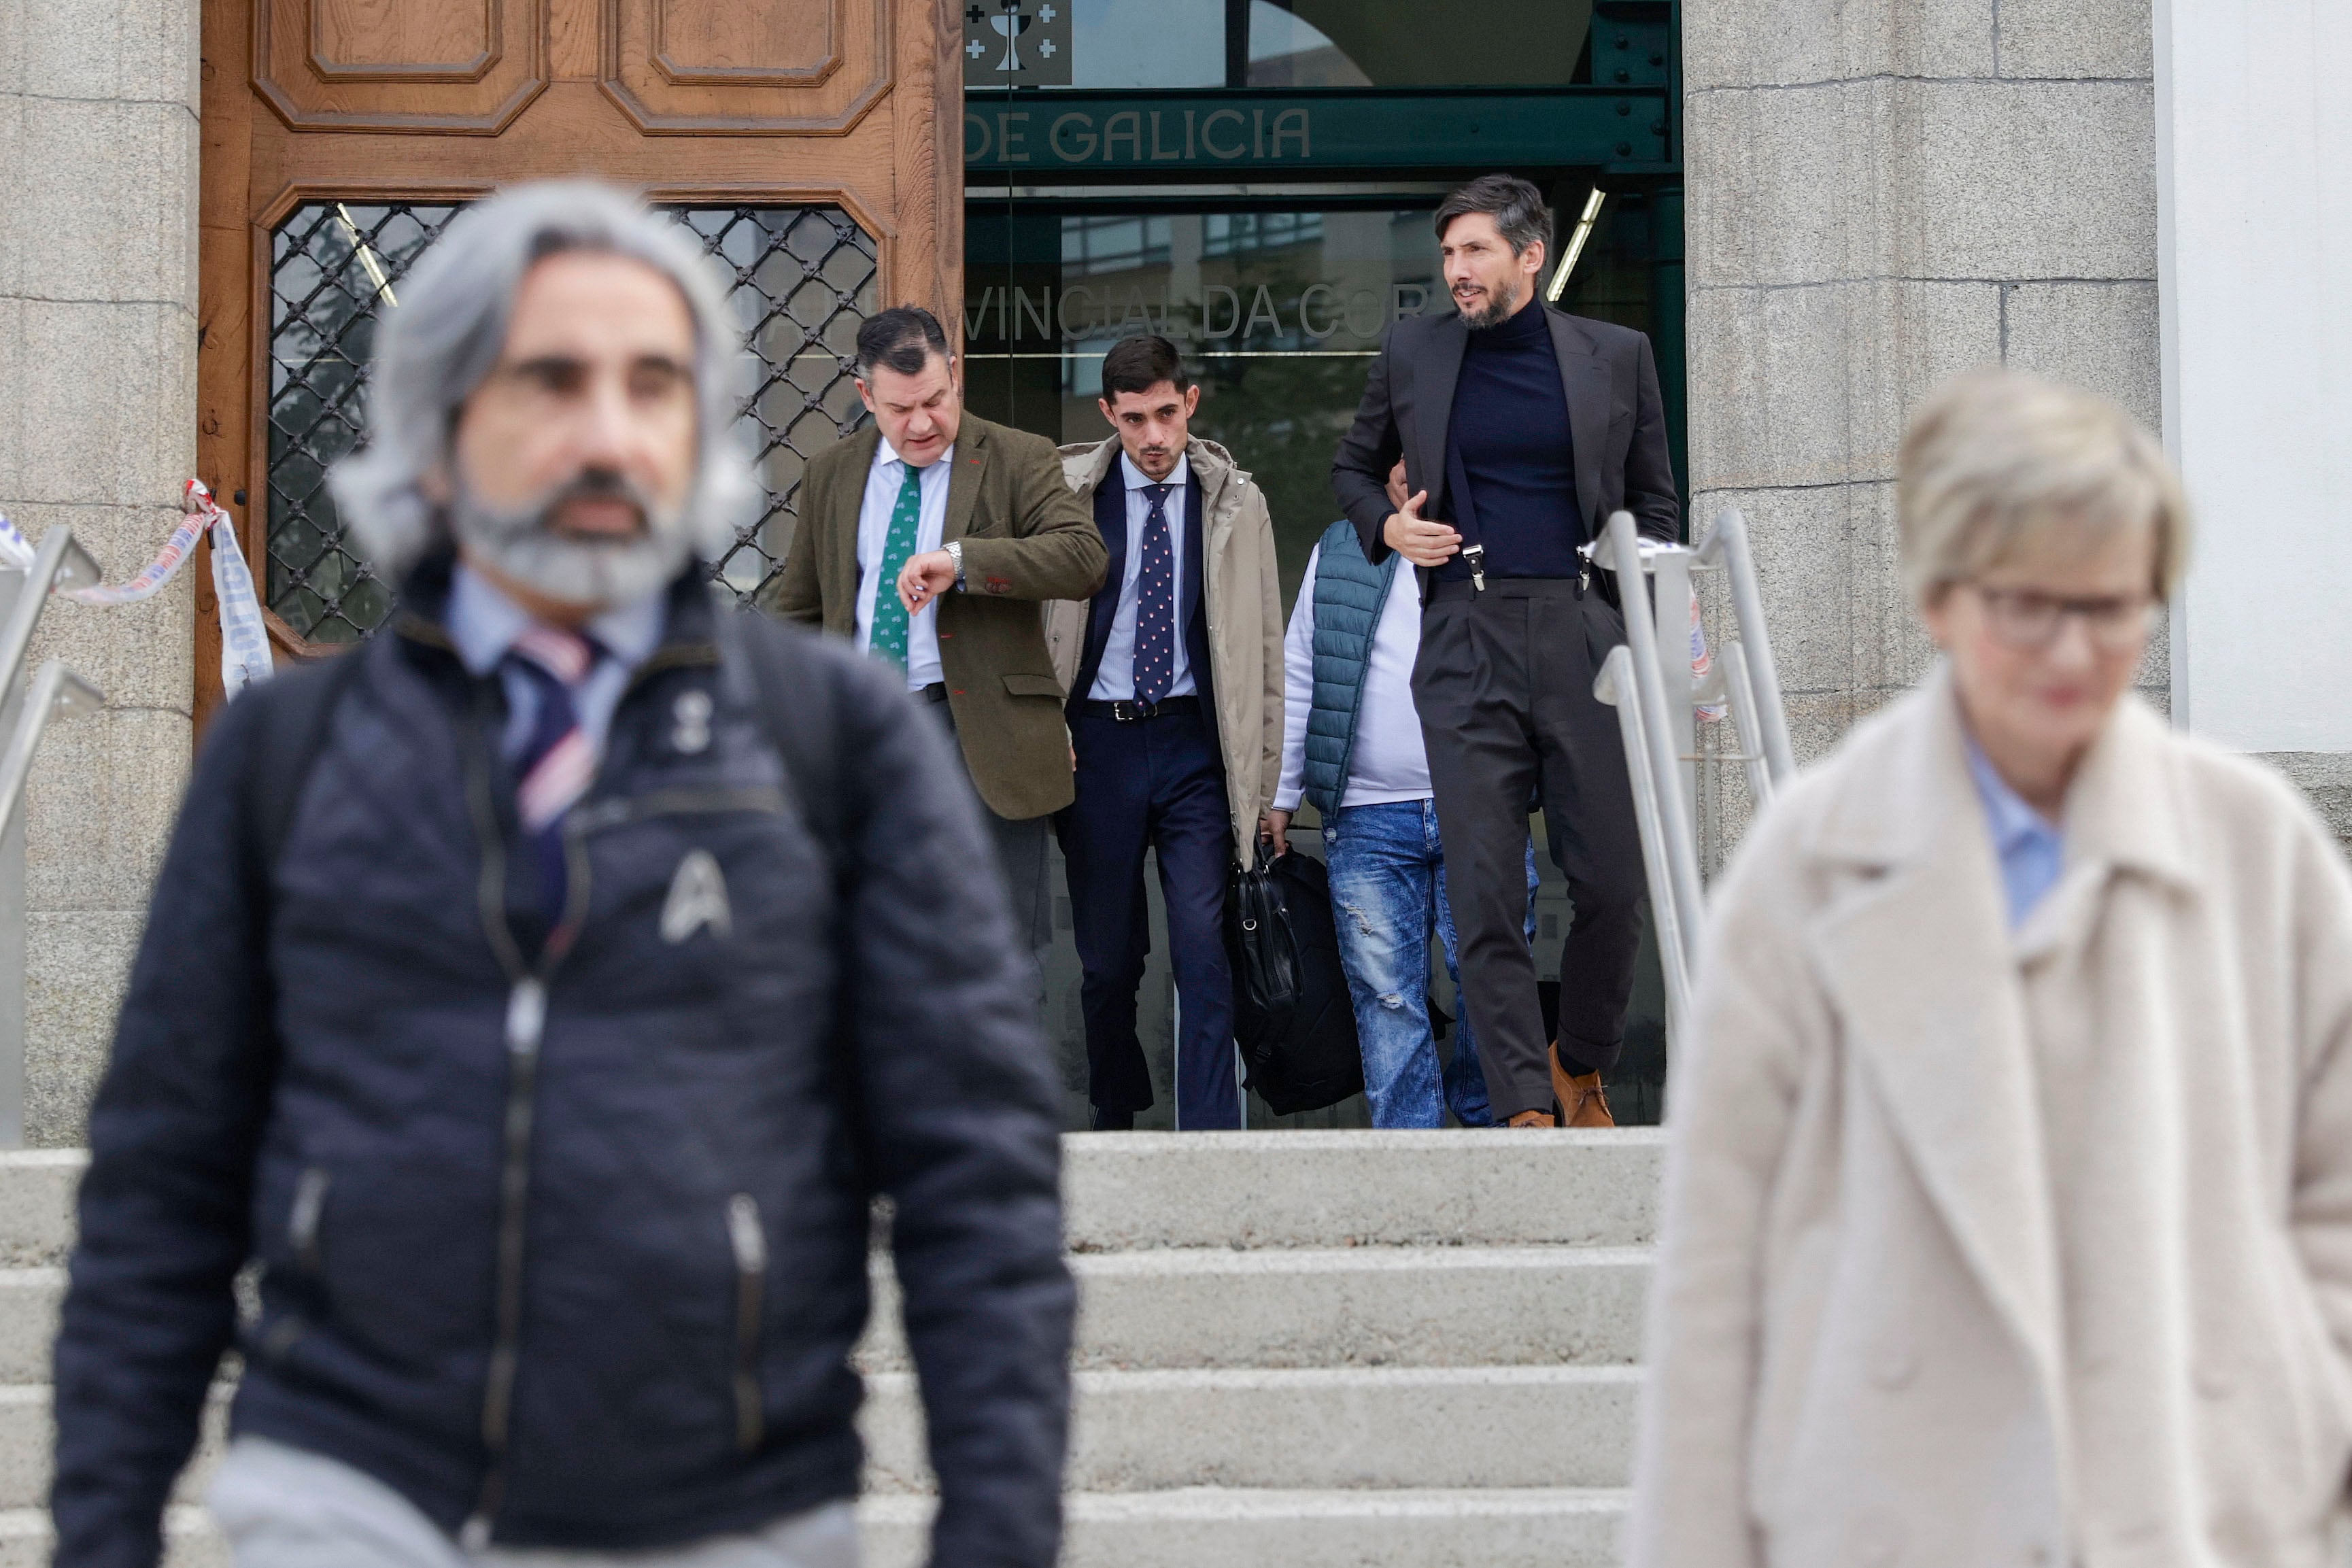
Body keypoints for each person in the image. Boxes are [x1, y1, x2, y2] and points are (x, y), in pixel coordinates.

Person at [50, 182, 1075, 1568]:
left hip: (730, 1506)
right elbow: (161, 1181)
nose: (607, 428)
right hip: (345, 1492)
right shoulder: (289, 753)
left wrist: (996, 1532)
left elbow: (976, 1181)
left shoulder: (833, 742)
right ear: (440, 420)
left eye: (652, 383)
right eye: (550, 378)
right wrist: (101, 1531)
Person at [1629, 369, 2352, 1567]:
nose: (2072, 648)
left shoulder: (2252, 847)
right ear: (1940, 598)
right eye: (2027, 604)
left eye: (2112, 605)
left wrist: (2289, 1422)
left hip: (2199, 1504)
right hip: (1894, 1508)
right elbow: (1716, 1277)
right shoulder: (1806, 867)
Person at [1330, 173, 1679, 1129]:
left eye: (1474, 250)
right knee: (1483, 888)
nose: (1455, 271)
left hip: (1581, 626)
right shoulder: (1413, 351)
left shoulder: (1617, 354)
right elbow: (1353, 467)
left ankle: (1580, 1059)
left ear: (1530, 254)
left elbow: (1653, 509)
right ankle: (1523, 1104)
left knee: (1610, 878)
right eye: (1446, 254)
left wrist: (1661, 634)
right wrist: (1387, 530)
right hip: (1463, 633)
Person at [762, 305, 1106, 986]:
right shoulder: (830, 473)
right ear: (866, 395)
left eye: (936, 401)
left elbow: (1083, 558)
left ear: (955, 374)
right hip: (864, 733)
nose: (922, 424)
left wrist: (963, 560)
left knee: (998, 957)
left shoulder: (1018, 455)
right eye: (900, 408)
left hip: (982, 734)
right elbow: (799, 612)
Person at [1042, 335, 1282, 1131]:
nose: (1153, 436)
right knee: (1109, 964)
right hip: (1099, 746)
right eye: (1135, 418)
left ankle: (1210, 1135)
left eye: (1167, 414)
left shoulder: (1237, 504)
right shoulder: (1069, 493)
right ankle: (1116, 1114)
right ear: (1108, 414)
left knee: (1204, 953)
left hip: (1193, 747)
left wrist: (1266, 782)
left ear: (1191, 404)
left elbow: (1265, 654)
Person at [1264, 460, 1539, 1129]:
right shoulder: (1340, 547)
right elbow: (1300, 670)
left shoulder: (1500, 544)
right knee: (1386, 995)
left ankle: (1488, 1119)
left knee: (1492, 980)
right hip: (1363, 813)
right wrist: (1281, 792)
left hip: (1478, 805)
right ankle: (1408, 1157)